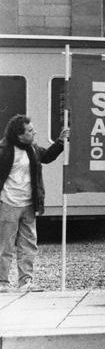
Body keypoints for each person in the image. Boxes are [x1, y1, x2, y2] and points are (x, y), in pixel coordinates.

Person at [0, 115, 68, 292]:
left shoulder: (32, 149)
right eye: (30, 130)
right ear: (19, 135)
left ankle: (26, 282)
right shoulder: (3, 150)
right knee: (5, 245)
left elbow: (47, 157)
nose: (34, 132)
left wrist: (60, 142)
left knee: (28, 244)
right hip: (8, 203)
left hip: (29, 204)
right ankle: (2, 282)